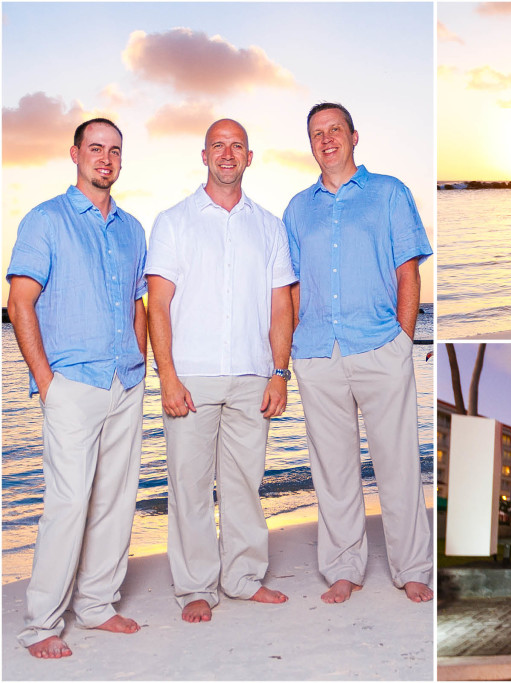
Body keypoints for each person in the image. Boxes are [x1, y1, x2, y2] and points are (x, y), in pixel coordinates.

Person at [7, 118, 147, 658]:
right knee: (67, 503)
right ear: (75, 154)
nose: (105, 158)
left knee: (115, 499)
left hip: (125, 381)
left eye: (115, 149)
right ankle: (41, 624)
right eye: (96, 148)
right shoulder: (46, 220)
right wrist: (46, 382)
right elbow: (21, 302)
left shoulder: (133, 229)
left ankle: (96, 605)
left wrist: (139, 362)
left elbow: (138, 302)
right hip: (71, 384)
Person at [283, 103, 434, 603]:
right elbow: (294, 287)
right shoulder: (296, 209)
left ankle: (412, 567)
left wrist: (402, 342)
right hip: (316, 353)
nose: (326, 140)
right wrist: (292, 352)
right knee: (333, 469)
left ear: (353, 136)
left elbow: (407, 273)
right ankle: (343, 568)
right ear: (310, 143)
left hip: (379, 346)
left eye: (335, 131)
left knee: (397, 464)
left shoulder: (389, 193)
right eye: (316, 133)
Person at [146, 119, 296, 623]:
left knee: (243, 485)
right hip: (191, 377)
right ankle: (195, 588)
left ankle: (243, 578)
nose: (227, 154)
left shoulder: (270, 226)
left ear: (250, 157)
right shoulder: (173, 221)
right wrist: (166, 375)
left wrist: (279, 372)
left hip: (254, 376)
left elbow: (281, 306)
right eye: (218, 146)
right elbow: (157, 306)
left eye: (237, 146)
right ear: (204, 155)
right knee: (188, 487)